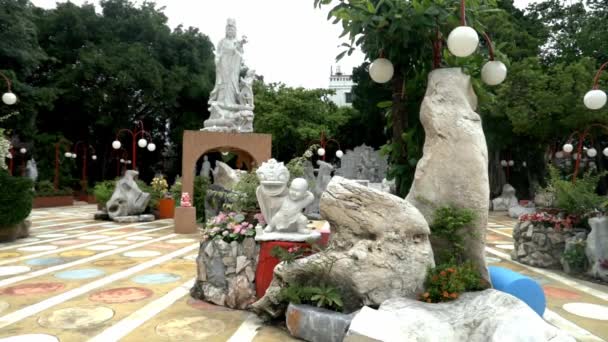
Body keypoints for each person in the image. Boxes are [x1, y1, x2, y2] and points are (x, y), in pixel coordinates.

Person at [208, 19, 246, 106]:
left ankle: (231, 102)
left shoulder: (236, 42)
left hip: (233, 69)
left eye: (232, 29)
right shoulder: (222, 42)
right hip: (223, 66)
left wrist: (238, 47)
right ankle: (221, 101)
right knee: (222, 83)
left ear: (235, 31)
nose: (230, 31)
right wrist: (217, 60)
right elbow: (218, 54)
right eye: (228, 29)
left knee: (232, 84)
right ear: (226, 30)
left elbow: (240, 55)